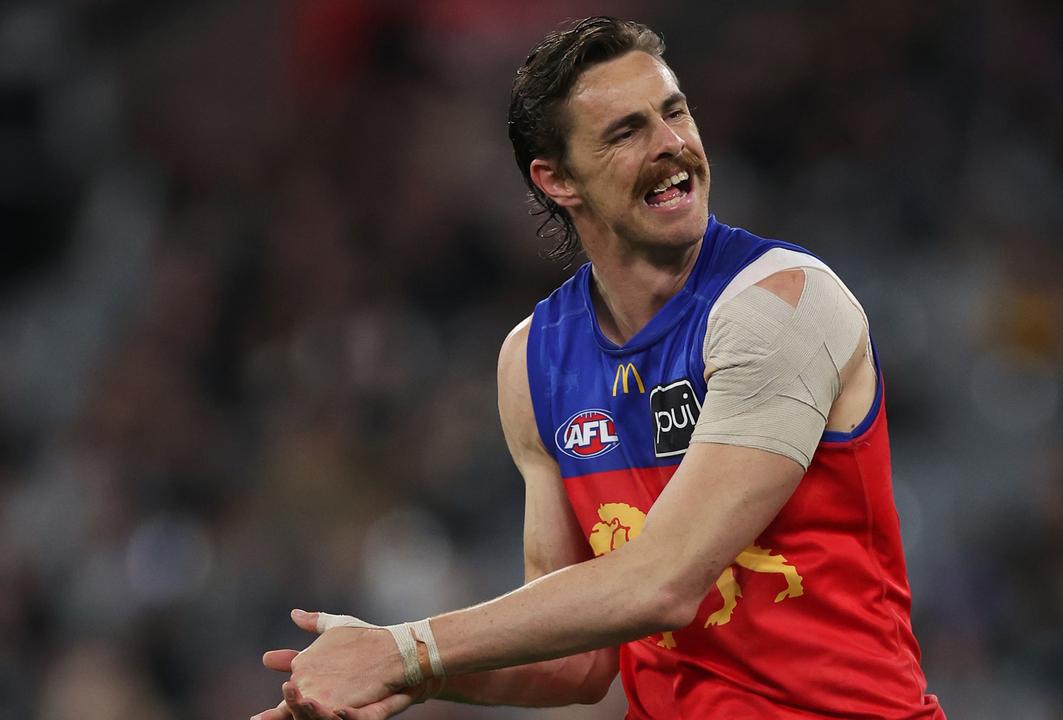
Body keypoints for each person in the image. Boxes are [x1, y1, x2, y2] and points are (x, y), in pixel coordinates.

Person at [253, 17, 945, 720]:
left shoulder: (783, 303)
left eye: (674, 112)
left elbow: (666, 581)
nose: (672, 144)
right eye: (625, 132)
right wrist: (407, 677)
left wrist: (407, 649)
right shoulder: (534, 360)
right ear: (557, 179)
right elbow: (573, 663)